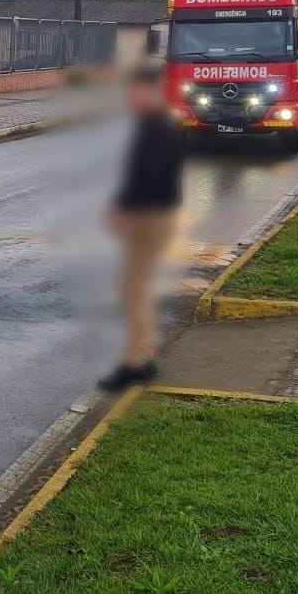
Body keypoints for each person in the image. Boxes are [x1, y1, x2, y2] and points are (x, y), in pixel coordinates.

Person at [98, 65, 185, 391]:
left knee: (133, 290)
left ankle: (133, 365)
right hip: (149, 213)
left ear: (149, 92)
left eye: (133, 94)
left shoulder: (160, 128)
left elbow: (153, 178)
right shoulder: (152, 124)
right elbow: (135, 174)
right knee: (139, 290)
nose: (129, 100)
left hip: (151, 216)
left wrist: (126, 208)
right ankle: (144, 358)